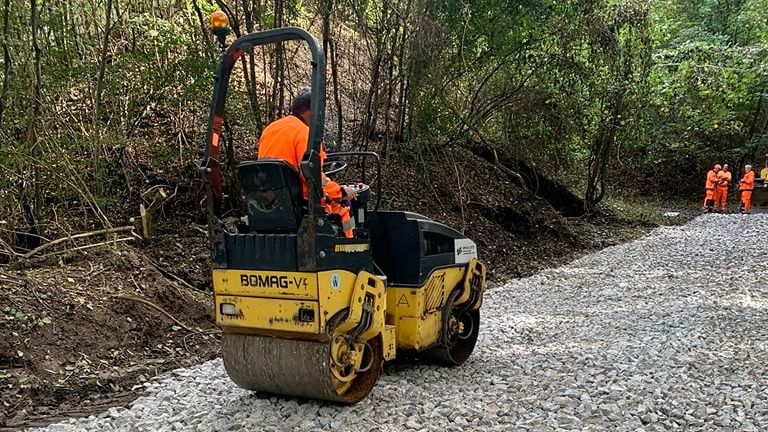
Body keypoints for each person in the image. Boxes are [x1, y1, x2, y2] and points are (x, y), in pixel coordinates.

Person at [257, 87, 357, 237]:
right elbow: (313, 177)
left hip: (269, 204)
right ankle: (352, 252)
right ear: (312, 111)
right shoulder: (306, 135)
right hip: (300, 204)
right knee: (344, 207)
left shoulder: (270, 130)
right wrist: (341, 192)